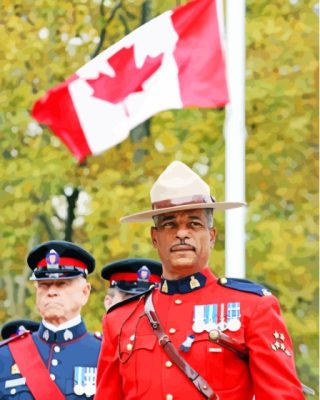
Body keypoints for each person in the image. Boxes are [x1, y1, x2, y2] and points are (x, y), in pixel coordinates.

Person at [95, 160, 304, 400]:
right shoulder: (120, 321)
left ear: (211, 235)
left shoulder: (253, 307)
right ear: (155, 237)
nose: (182, 233)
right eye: (170, 224)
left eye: (194, 224)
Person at [0, 240, 101, 399]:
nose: (51, 291)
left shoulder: (106, 354)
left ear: (85, 292)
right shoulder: (5, 355)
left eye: (62, 284)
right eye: (44, 285)